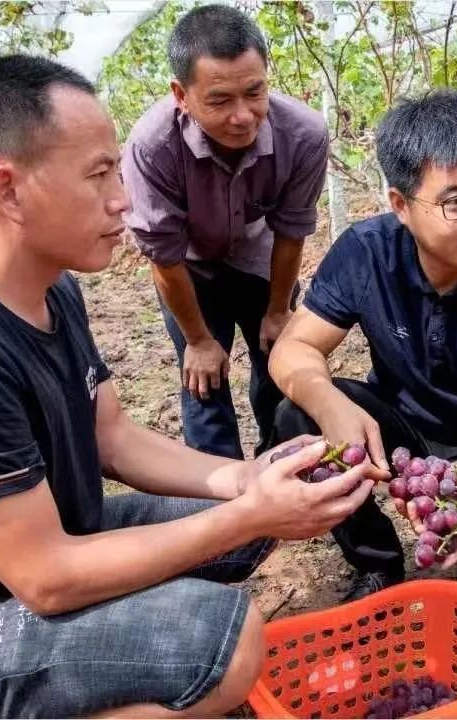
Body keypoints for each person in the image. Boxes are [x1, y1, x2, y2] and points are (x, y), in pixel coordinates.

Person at [0, 55, 378, 719]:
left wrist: (247, 481)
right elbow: (47, 578)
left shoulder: (51, 289)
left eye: (117, 170)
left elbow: (113, 437)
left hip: (52, 543)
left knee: (245, 519)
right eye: (98, 175)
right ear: (9, 190)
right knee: (224, 638)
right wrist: (248, 512)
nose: (122, 197)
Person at [267, 89, 457, 602]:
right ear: (401, 206)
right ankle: (377, 559)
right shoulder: (366, 254)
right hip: (400, 430)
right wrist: (327, 402)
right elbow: (293, 349)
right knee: (296, 417)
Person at [121, 4, 329, 460]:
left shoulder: (304, 134)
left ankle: (284, 469)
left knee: (279, 367)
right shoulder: (151, 148)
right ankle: (221, 492)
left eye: (254, 93)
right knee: (204, 383)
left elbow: (291, 230)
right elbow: (164, 257)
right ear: (181, 95)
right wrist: (198, 340)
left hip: (261, 259)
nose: (243, 116)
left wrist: (278, 310)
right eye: (219, 101)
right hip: (189, 269)